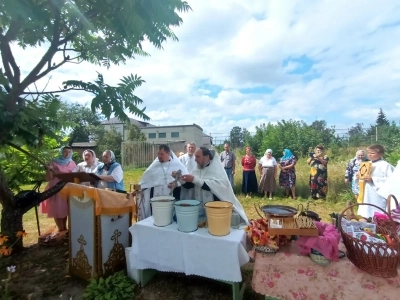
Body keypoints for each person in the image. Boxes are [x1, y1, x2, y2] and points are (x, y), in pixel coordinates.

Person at [175, 147, 248, 224]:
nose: (195, 159)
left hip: (215, 209)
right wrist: (180, 179)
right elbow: (191, 186)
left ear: (206, 157)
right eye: (195, 156)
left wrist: (195, 179)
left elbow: (218, 187)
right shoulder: (196, 169)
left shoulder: (217, 170)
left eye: (198, 156)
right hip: (199, 209)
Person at [138, 144, 188, 220]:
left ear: (168, 153)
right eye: (158, 154)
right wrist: (140, 189)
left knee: (169, 216)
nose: (159, 156)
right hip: (156, 196)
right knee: (157, 217)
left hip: (171, 195)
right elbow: (145, 181)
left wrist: (177, 184)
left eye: (162, 154)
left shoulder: (177, 165)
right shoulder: (154, 166)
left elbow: (185, 181)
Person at [40, 146, 77, 232]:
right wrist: (49, 170)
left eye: (69, 152)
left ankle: (65, 229)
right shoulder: (53, 162)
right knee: (57, 208)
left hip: (68, 188)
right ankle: (61, 230)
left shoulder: (72, 163)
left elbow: (75, 175)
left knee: (65, 209)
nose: (67, 154)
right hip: (56, 188)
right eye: (65, 152)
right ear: (61, 152)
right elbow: (48, 178)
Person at [358, 144, 394, 219]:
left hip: (377, 193)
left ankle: (379, 223)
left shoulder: (385, 165)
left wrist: (373, 179)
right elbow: (361, 175)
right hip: (367, 191)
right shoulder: (366, 164)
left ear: (380, 154)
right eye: (368, 153)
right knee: (366, 211)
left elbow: (390, 180)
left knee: (377, 211)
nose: (370, 155)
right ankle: (366, 222)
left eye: (372, 153)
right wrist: (358, 176)